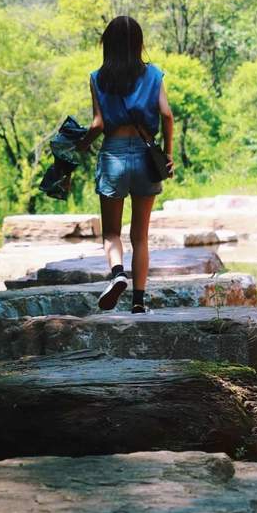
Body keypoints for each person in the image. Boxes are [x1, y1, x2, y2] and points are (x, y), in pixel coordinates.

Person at [77, 16, 174, 313]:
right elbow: (167, 115)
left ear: (108, 44)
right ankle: (139, 302)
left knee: (111, 233)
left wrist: (80, 144)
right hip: (146, 156)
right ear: (139, 43)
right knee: (140, 235)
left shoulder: (97, 78)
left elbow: (98, 124)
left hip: (113, 156)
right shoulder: (154, 74)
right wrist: (168, 153)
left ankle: (118, 273)